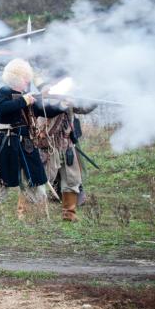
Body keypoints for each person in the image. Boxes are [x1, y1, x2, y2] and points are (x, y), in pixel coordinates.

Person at [0, 58, 64, 219]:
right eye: (25, 78)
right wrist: (24, 101)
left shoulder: (26, 96)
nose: (27, 81)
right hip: (8, 143)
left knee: (35, 180)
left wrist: (63, 106)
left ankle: (38, 217)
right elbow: (1, 109)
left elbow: (44, 110)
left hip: (26, 144)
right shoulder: (4, 92)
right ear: (18, 78)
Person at [33, 74, 96, 222]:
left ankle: (69, 213)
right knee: (41, 179)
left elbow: (83, 108)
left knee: (72, 178)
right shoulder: (44, 97)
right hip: (47, 144)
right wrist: (62, 103)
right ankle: (31, 213)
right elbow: (46, 110)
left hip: (67, 144)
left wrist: (94, 98)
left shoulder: (68, 95)